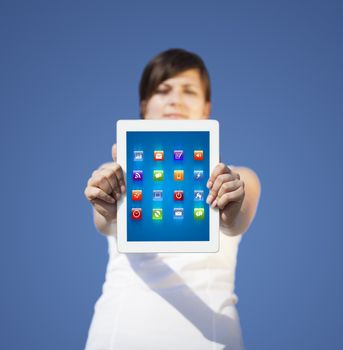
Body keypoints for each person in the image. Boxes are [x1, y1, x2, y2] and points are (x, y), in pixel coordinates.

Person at [84, 48, 261, 350]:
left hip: (210, 339)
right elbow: (105, 221)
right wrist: (106, 203)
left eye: (189, 91)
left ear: (207, 108)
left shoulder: (239, 175)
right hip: (119, 334)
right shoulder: (115, 171)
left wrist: (231, 203)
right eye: (162, 90)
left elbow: (235, 222)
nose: (175, 100)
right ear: (144, 106)